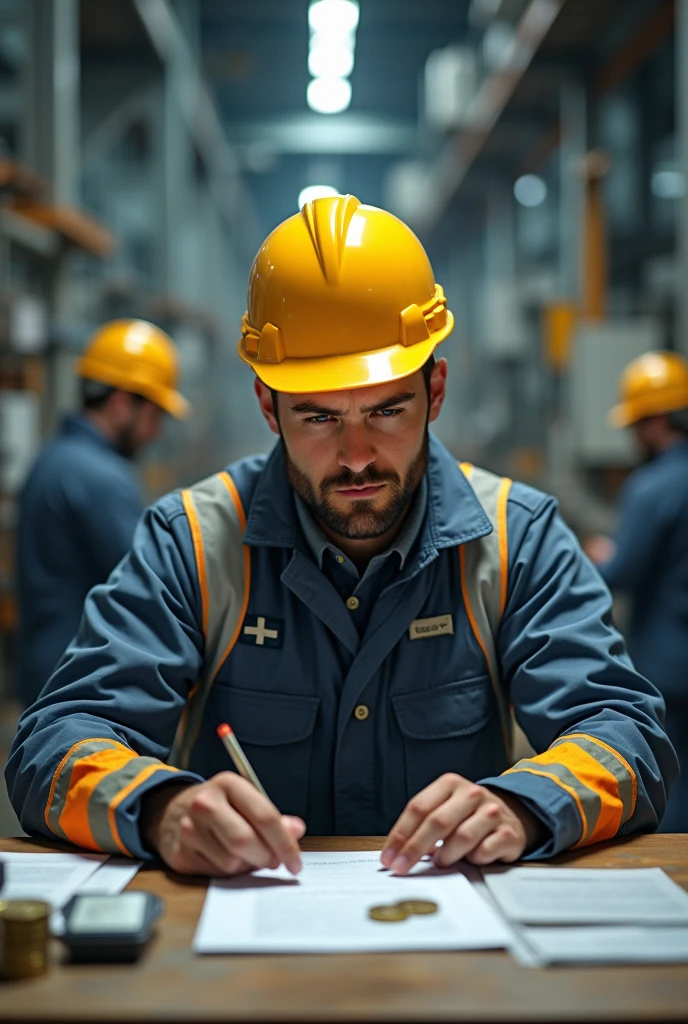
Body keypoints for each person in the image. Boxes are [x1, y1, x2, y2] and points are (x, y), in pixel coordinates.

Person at [6, 196, 676, 878]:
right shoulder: (195, 544)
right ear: (268, 406)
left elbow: (629, 736)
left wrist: (526, 806)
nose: (357, 456)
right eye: (319, 418)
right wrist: (159, 809)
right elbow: (52, 746)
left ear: (435, 390)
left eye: (387, 410)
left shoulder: (515, 539)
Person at [15, 319, 190, 707]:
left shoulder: (53, 459)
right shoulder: (101, 477)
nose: (155, 432)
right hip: (77, 683)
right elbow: (150, 587)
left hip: (44, 668)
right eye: (154, 414)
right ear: (122, 402)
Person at [586, 351, 688, 832]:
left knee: (673, 776)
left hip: (669, 664)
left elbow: (624, 571)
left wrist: (602, 556)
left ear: (655, 423)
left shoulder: (651, 487)